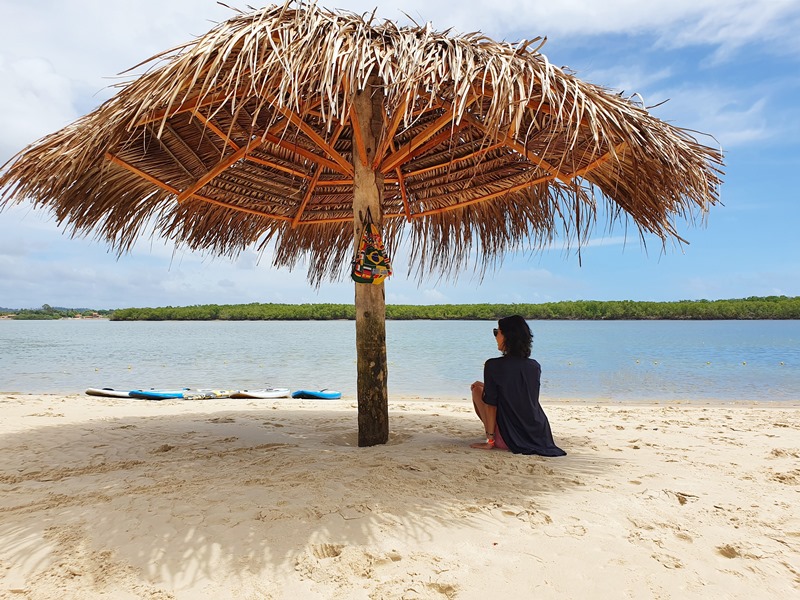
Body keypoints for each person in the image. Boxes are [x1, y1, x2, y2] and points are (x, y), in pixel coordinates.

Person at [470, 315, 566, 456]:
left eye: (498, 332)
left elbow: (492, 404)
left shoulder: (493, 365)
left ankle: (492, 437)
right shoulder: (534, 366)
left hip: (510, 438)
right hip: (539, 434)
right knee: (481, 387)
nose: (496, 336)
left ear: (508, 336)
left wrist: (489, 442)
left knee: (477, 389)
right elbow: (521, 395)